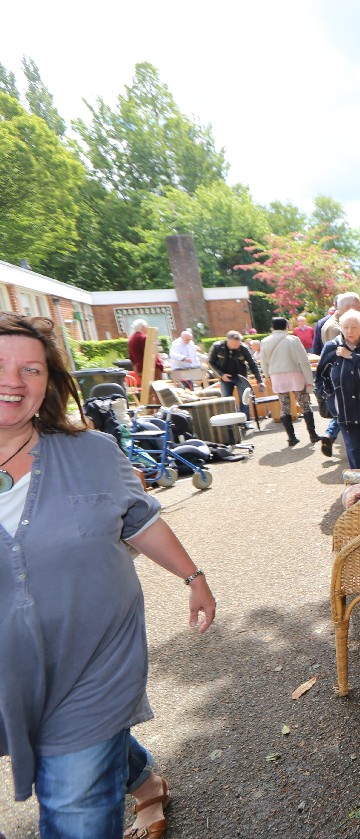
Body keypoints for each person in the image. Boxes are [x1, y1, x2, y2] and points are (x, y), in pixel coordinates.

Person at [0, 313, 216, 839]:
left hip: (92, 659)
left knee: (75, 800)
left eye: (31, 369)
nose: (13, 382)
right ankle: (143, 779)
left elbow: (139, 520)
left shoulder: (92, 453)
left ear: (49, 383)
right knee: (74, 743)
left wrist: (194, 577)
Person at [315, 310, 360, 469]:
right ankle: (359, 484)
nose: (349, 331)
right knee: (355, 452)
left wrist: (352, 356)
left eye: (354, 327)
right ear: (340, 328)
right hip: (344, 410)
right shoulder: (331, 347)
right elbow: (320, 377)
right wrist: (329, 398)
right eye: (345, 327)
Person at [316, 294, 360, 456]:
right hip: (342, 379)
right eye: (358, 307)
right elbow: (338, 356)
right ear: (349, 308)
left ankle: (330, 434)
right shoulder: (335, 327)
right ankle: (332, 435)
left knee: (342, 410)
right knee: (344, 410)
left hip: (340, 378)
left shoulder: (330, 323)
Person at [260, 317, 318, 446]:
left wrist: (268, 375)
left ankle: (291, 438)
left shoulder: (265, 341)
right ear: (286, 326)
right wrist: (309, 379)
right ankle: (313, 435)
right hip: (295, 374)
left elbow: (263, 362)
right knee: (304, 404)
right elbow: (304, 361)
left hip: (277, 376)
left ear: (272, 327)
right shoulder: (293, 340)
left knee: (284, 406)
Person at [208, 330, 263, 413]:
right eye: (234, 344)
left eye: (238, 343)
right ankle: (232, 418)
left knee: (245, 399)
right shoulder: (217, 347)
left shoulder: (243, 348)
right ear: (228, 340)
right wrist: (221, 375)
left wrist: (259, 380)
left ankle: (245, 418)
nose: (237, 346)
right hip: (225, 377)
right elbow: (211, 362)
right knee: (227, 400)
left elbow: (252, 363)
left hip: (241, 376)